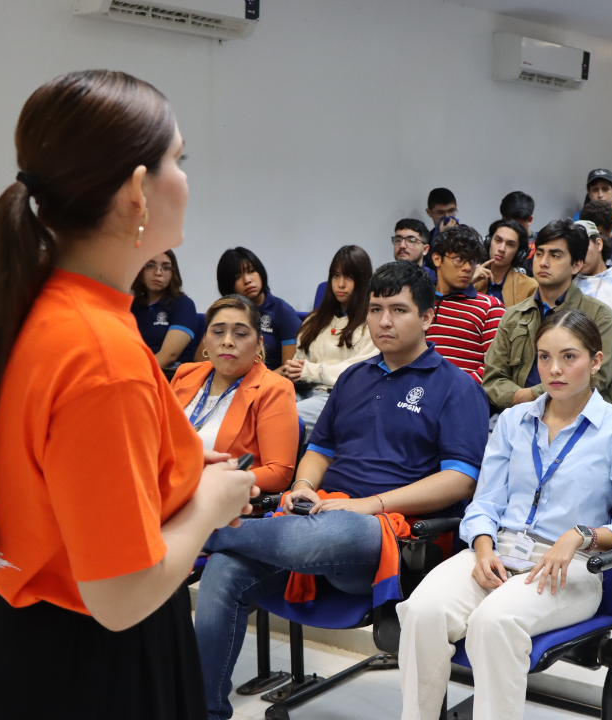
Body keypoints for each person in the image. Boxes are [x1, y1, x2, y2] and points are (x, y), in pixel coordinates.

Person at [0, 70, 256, 720]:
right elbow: (118, 595)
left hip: (29, 646)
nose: (186, 179)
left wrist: (178, 476)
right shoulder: (99, 350)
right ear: (138, 192)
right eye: (178, 159)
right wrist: (209, 507)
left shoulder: (40, 307)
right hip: (93, 670)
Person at [193, 261, 489, 720]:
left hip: (393, 535)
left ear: (428, 317)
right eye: (375, 309)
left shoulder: (456, 387)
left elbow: (459, 480)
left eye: (398, 310)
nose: (384, 321)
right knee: (225, 569)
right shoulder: (354, 377)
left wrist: (368, 506)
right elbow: (321, 450)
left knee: (342, 528)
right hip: (319, 522)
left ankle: (197, 533)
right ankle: (205, 711)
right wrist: (304, 485)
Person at [396, 309, 612, 720]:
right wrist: (481, 547)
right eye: (545, 357)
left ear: (597, 361)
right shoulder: (515, 420)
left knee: (493, 623)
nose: (555, 369)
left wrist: (579, 535)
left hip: (570, 565)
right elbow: (484, 503)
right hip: (498, 550)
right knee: (422, 611)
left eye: (570, 357)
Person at [483, 220, 612, 409]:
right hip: (519, 415)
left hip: (580, 420)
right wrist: (521, 400)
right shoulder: (514, 315)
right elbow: (493, 378)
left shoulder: (599, 316)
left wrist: (533, 395)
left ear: (576, 265)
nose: (543, 262)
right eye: (539, 254)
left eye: (555, 256)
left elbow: (597, 378)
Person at [171, 295, 299, 493]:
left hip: (221, 504)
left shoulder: (274, 389)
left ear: (259, 344)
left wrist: (210, 481)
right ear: (205, 339)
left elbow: (278, 473)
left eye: (240, 333)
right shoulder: (185, 374)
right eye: (218, 332)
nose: (227, 341)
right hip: (165, 491)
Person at [282, 245, 377, 434]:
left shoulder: (372, 322)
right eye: (336, 276)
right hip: (303, 391)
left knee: (283, 418)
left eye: (349, 277)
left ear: (363, 281)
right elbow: (300, 361)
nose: (340, 284)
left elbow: (358, 370)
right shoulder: (314, 320)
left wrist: (310, 371)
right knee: (263, 409)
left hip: (337, 397)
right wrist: (293, 369)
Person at [428, 225, 505, 383]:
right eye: (459, 259)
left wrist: (457, 389)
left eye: (473, 261)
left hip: (465, 396)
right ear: (437, 259)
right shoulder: (420, 303)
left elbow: (495, 364)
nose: (468, 268)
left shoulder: (490, 307)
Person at [215, 246, 301, 371]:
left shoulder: (283, 311)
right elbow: (201, 359)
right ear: (228, 285)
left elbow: (289, 368)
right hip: (229, 380)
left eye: (251, 271)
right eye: (237, 277)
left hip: (269, 383)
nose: (247, 280)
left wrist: (257, 382)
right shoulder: (223, 312)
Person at [130, 249, 200, 372]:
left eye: (166, 267)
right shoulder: (132, 306)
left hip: (169, 377)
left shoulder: (183, 304)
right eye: (150, 266)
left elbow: (170, 355)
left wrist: (135, 375)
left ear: (173, 274)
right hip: (137, 371)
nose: (158, 272)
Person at [472, 219, 538, 306]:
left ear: (519, 253)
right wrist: (468, 282)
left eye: (510, 244)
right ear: (488, 242)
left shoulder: (529, 287)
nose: (502, 249)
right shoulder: (469, 274)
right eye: (498, 240)